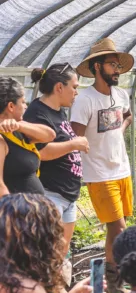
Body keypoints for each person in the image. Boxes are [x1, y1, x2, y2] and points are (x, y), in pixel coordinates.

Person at [70, 38, 135, 293]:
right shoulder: (85, 99)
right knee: (119, 228)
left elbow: (128, 116)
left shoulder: (121, 95)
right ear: (97, 67)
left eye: (118, 64)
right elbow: (74, 136)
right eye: (111, 64)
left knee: (116, 227)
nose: (117, 69)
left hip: (122, 168)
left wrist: (118, 131)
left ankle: (110, 282)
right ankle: (118, 280)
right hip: (98, 172)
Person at [24, 64, 86, 256]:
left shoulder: (58, 111)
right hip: (50, 195)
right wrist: (74, 144)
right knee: (48, 254)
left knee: (61, 254)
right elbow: (41, 152)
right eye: (74, 87)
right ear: (59, 87)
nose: (76, 92)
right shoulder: (37, 112)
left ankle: (61, 286)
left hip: (67, 196)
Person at [0, 77, 57, 196]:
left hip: (32, 209)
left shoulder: (19, 127)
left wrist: (19, 126)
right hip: (16, 210)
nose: (26, 106)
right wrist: (10, 210)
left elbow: (50, 135)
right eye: (23, 102)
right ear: (11, 106)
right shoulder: (1, 139)